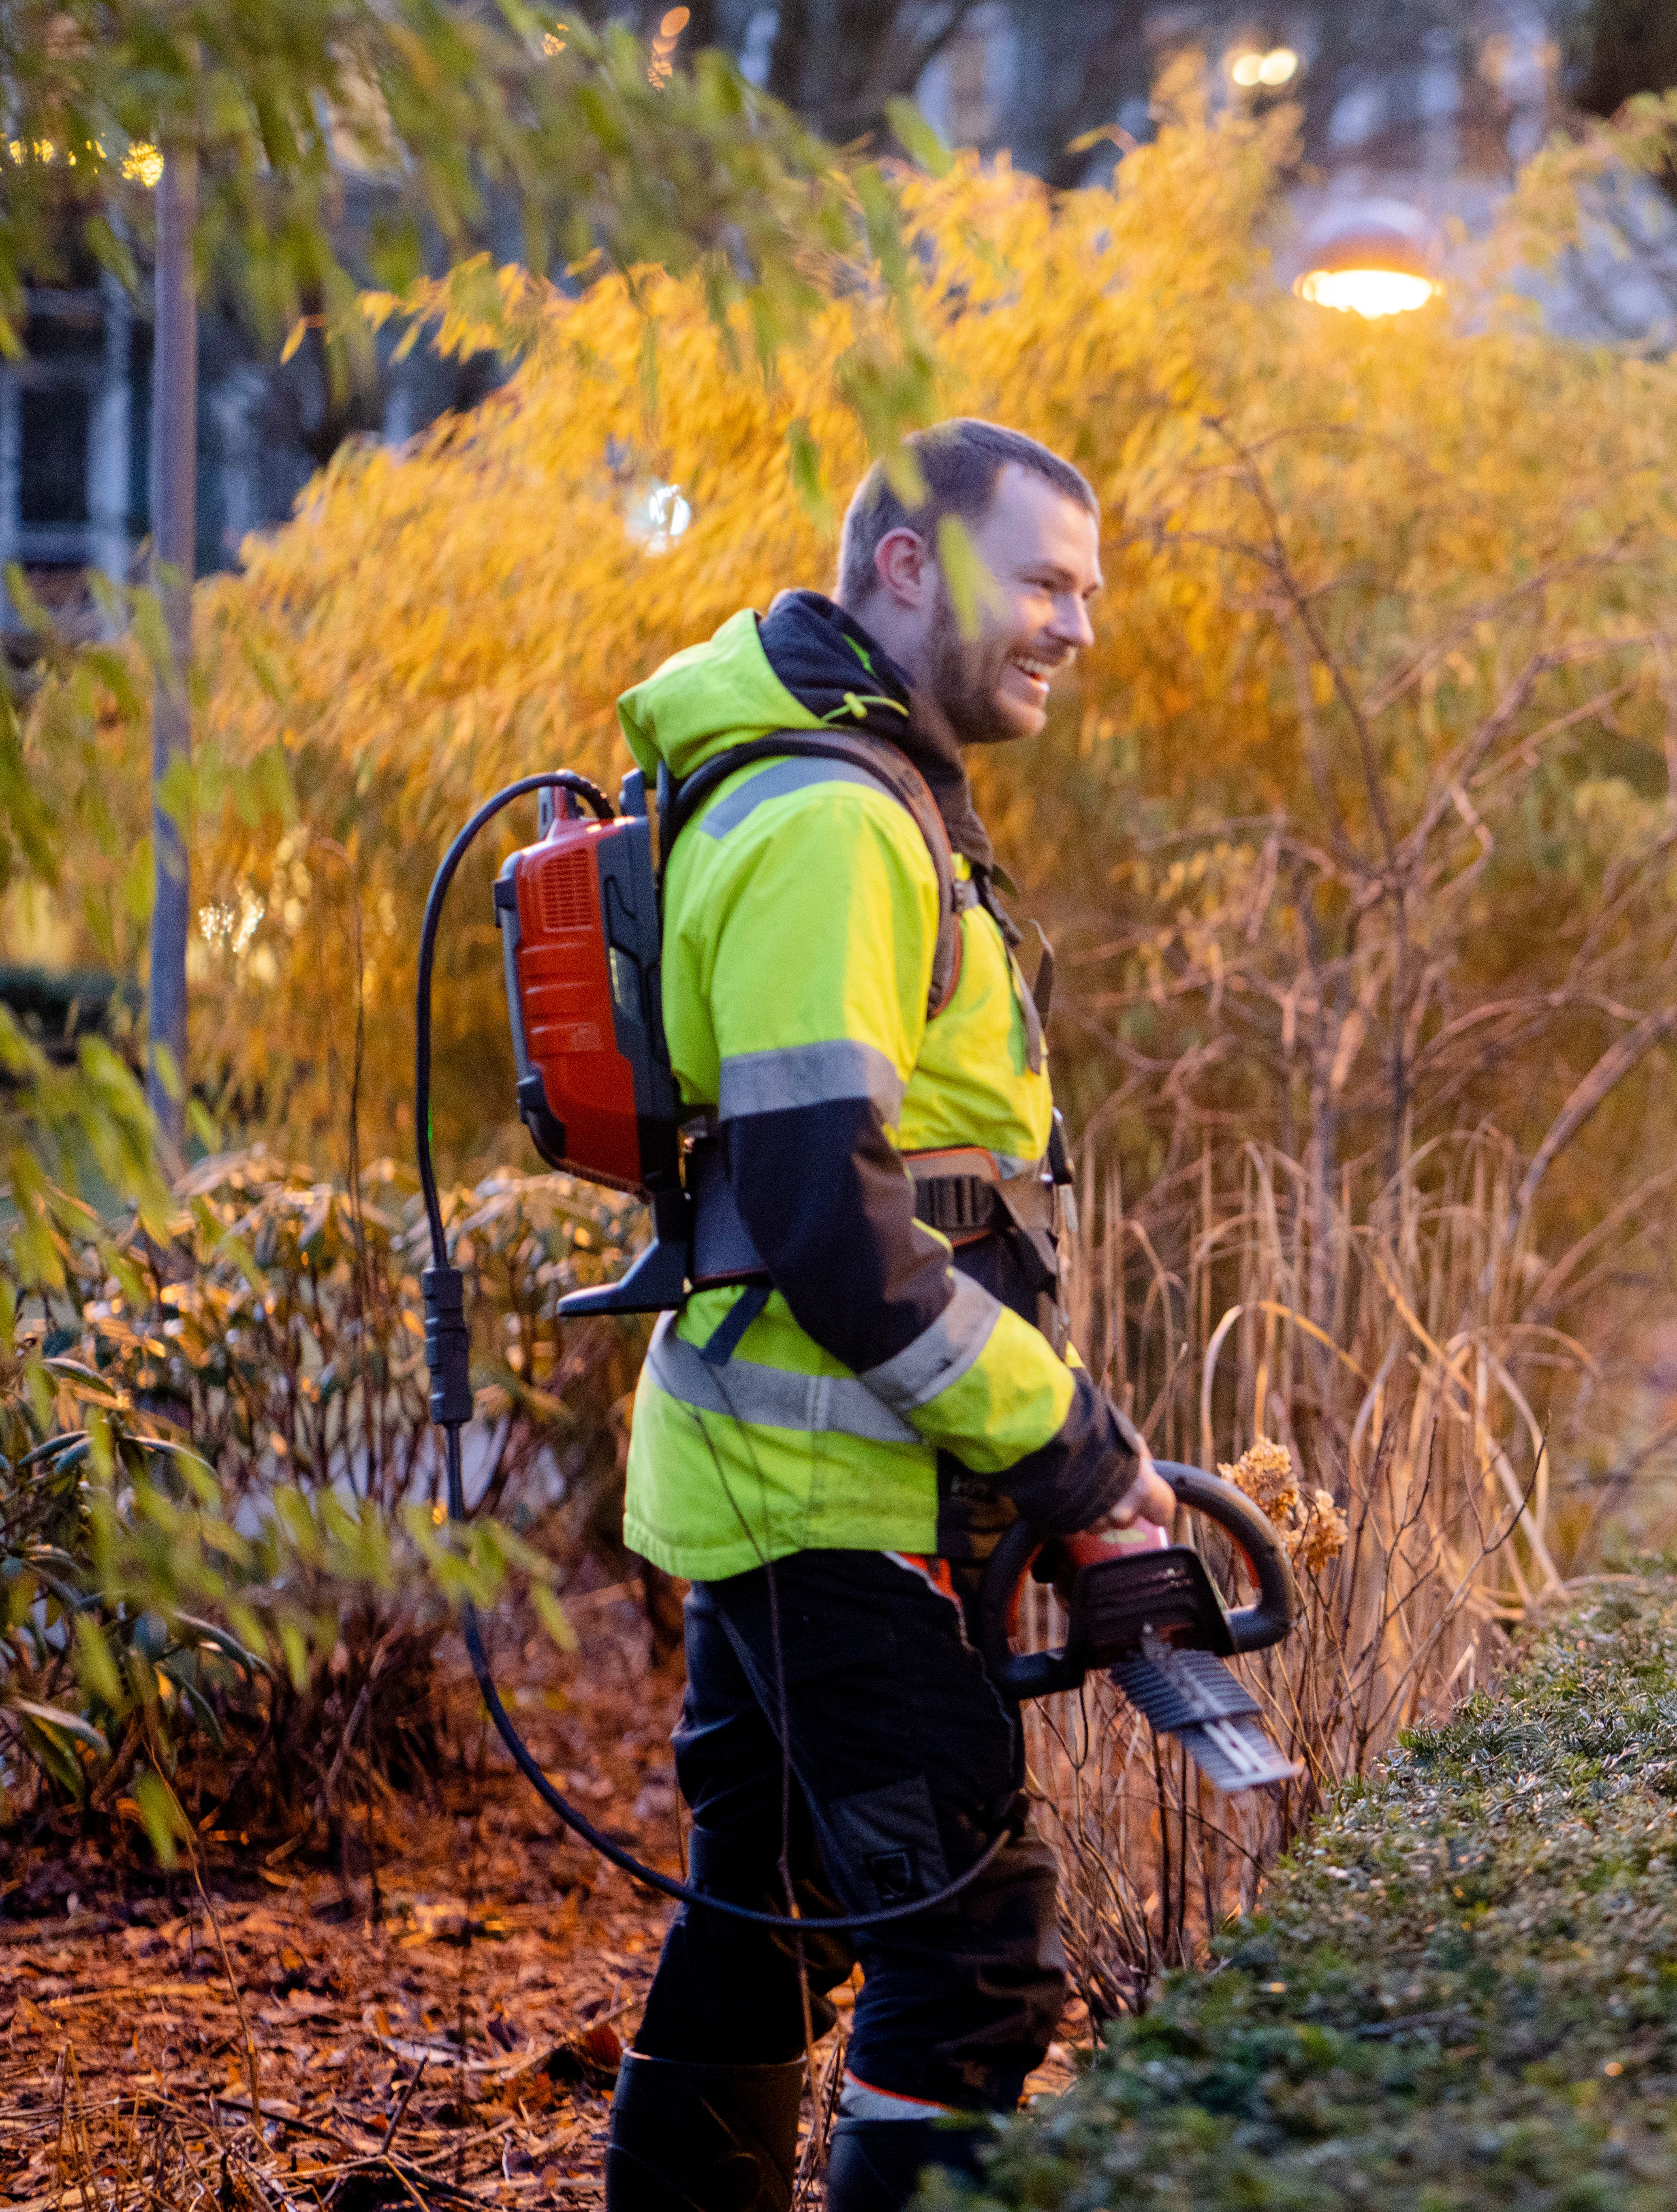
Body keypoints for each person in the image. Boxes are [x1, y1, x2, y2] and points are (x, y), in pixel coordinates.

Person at [599, 420, 1174, 2212]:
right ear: (909, 567)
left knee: (760, 1922)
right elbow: (828, 1226)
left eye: (1093, 588)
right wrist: (1078, 1461)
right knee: (973, 1970)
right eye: (1046, 579)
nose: (1079, 622)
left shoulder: (850, 782)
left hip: (789, 1487)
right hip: (841, 1511)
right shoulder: (835, 819)